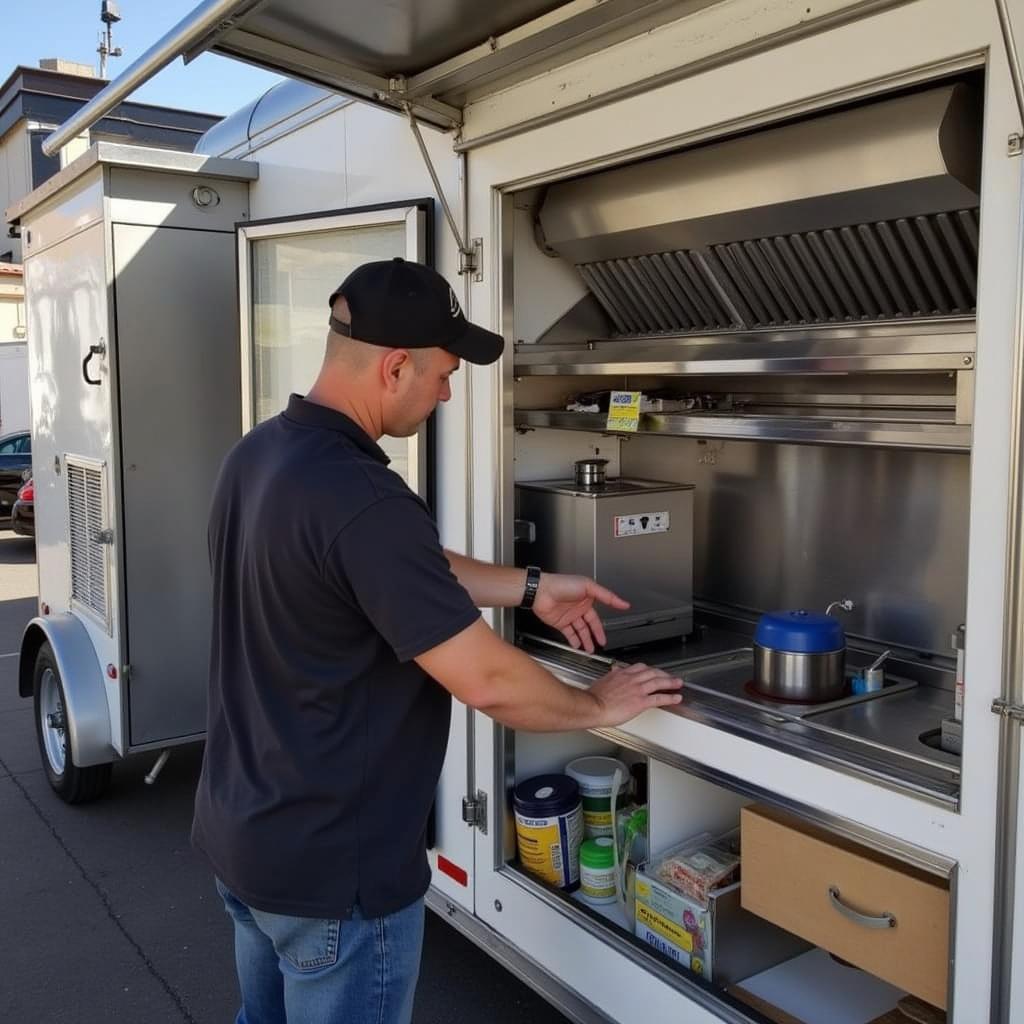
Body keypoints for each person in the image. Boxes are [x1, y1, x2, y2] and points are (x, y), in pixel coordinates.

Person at [192, 257, 683, 1024]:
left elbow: (398, 570)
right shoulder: (362, 498)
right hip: (339, 876)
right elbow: (487, 680)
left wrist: (530, 586)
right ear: (394, 367)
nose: (448, 392)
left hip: (247, 837)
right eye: (445, 373)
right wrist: (596, 702)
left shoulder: (260, 457)